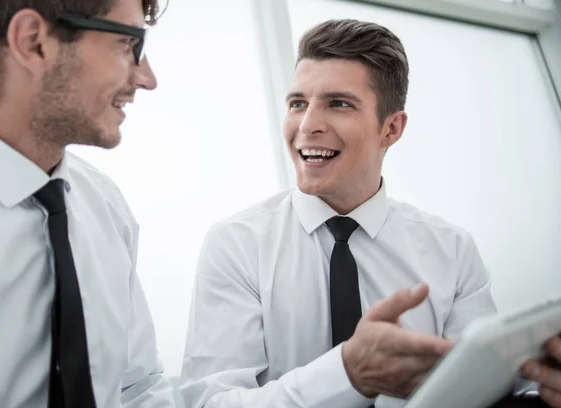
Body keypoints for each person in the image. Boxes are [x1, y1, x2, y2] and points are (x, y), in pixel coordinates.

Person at [180, 19, 561, 408]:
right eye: (297, 104)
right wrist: (347, 374)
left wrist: (544, 388)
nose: (307, 125)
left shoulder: (453, 251)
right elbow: (211, 404)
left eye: (338, 103)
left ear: (391, 129)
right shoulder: (237, 245)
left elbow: (484, 393)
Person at [0, 0, 175, 407]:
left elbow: (138, 387)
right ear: (34, 42)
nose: (147, 78)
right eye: (127, 43)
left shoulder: (105, 205)